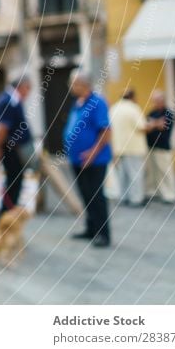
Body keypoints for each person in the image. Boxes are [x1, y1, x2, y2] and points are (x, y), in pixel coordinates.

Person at [63, 70, 113, 248]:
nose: (70, 86)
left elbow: (106, 130)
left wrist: (92, 152)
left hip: (94, 160)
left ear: (84, 84)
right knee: (85, 195)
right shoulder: (77, 103)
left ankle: (103, 234)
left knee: (96, 196)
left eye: (73, 83)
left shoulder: (97, 103)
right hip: (76, 160)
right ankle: (91, 229)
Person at [0, 75, 33, 218]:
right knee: (13, 183)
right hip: (11, 150)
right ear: (21, 86)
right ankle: (5, 217)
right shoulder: (8, 101)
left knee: (15, 182)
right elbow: (1, 128)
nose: (28, 93)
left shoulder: (11, 100)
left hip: (14, 148)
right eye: (28, 89)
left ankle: (8, 215)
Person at [109, 89, 148, 206]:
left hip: (118, 147)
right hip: (133, 147)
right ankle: (136, 199)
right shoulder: (133, 108)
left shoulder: (114, 108)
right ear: (132, 97)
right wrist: (154, 125)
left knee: (122, 174)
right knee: (135, 174)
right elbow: (141, 127)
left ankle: (123, 197)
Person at [145, 90, 175, 204]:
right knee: (152, 172)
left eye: (157, 100)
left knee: (165, 172)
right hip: (151, 146)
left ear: (162, 100)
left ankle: (169, 195)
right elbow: (146, 125)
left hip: (163, 147)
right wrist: (156, 123)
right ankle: (154, 192)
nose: (155, 103)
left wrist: (153, 124)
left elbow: (163, 126)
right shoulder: (152, 113)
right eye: (154, 100)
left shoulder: (168, 113)